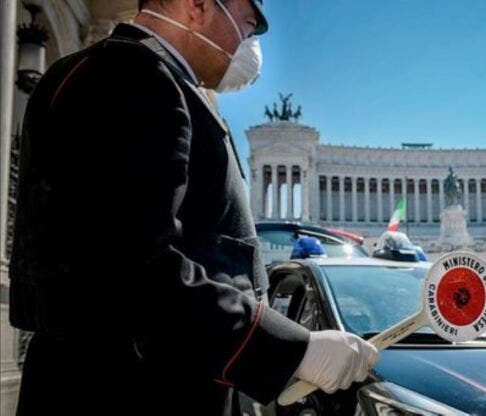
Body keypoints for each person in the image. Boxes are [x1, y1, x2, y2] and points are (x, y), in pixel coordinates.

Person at [9, 0, 377, 414]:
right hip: (132, 392)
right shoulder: (137, 79)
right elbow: (132, 272)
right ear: (197, 6)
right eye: (248, 25)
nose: (250, 44)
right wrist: (290, 349)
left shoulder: (111, 73)